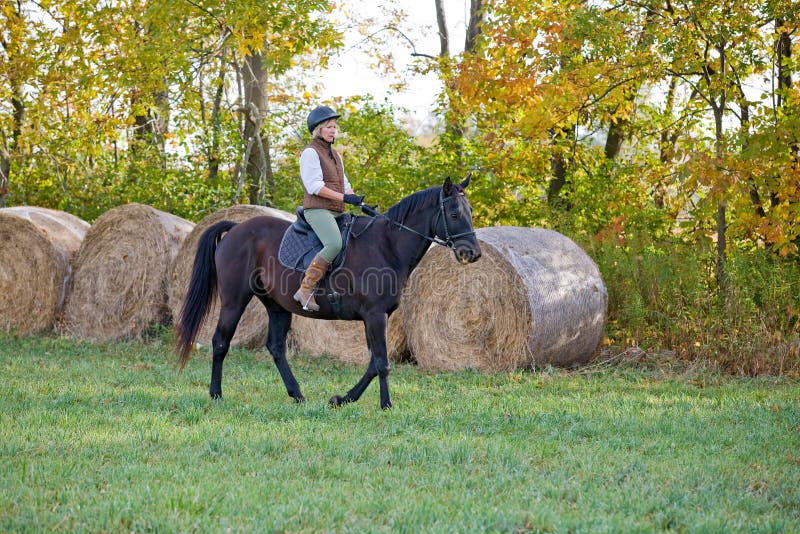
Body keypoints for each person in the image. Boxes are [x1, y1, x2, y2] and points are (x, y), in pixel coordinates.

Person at [293, 105, 365, 312]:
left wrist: (357, 200)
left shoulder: (336, 155)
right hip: (317, 210)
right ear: (318, 130)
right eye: (328, 127)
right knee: (334, 243)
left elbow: (344, 183)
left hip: (337, 210)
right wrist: (344, 198)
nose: (333, 130)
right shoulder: (310, 153)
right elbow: (314, 186)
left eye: (334, 127)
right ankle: (306, 289)